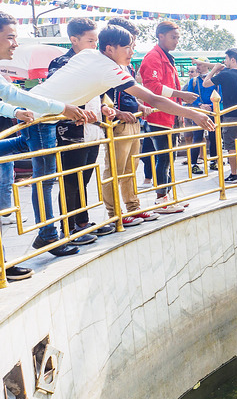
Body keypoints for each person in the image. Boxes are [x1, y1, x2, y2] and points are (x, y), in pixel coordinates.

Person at [23, 24, 214, 246]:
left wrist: (79, 108)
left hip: (40, 112)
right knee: (48, 181)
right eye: (128, 47)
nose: (132, 52)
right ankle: (52, 236)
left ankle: (67, 229)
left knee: (64, 179)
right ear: (110, 49)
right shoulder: (107, 68)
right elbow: (154, 99)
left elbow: (70, 84)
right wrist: (193, 114)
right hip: (37, 119)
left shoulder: (89, 55)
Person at [0, 13, 89, 271]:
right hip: (47, 121)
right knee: (45, 180)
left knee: (45, 175)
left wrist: (14, 112)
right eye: (10, 37)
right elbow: (14, 94)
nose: (15, 43)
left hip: (41, 122)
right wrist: (62, 107)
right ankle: (46, 236)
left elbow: (8, 96)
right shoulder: (63, 64)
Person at [46, 19, 114, 246]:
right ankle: (68, 229)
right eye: (90, 40)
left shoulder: (94, 63)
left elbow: (97, 94)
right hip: (70, 132)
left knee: (84, 179)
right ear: (74, 40)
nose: (95, 45)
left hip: (93, 130)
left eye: (96, 40)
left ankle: (82, 222)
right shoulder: (61, 63)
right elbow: (56, 96)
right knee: (70, 181)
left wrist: (103, 108)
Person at [102, 17, 160, 227]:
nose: (132, 47)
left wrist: (139, 105)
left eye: (132, 42)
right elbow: (100, 97)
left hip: (133, 121)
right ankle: (114, 213)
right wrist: (116, 112)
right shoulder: (104, 65)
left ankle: (133, 207)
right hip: (117, 124)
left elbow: (129, 91)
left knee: (130, 168)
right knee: (115, 171)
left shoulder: (125, 65)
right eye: (128, 43)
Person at [138, 21, 201, 211]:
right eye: (173, 37)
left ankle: (168, 197)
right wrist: (181, 95)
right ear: (161, 36)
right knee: (164, 158)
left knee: (169, 158)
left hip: (170, 115)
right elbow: (153, 87)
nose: (176, 41)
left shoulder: (165, 57)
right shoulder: (152, 57)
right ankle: (161, 199)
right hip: (159, 116)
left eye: (178, 38)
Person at [203, 48, 237, 183]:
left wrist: (214, 69)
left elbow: (205, 84)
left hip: (230, 115)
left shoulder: (225, 75)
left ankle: (234, 174)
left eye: (226, 59)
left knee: (231, 146)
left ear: (232, 59)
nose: (225, 62)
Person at [183, 61, 219, 174]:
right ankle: (194, 163)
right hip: (199, 112)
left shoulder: (215, 80)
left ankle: (214, 161)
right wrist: (200, 105)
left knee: (214, 137)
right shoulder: (193, 81)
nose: (197, 67)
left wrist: (212, 106)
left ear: (206, 66)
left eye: (199, 65)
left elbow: (220, 95)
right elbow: (190, 96)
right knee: (197, 138)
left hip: (213, 112)